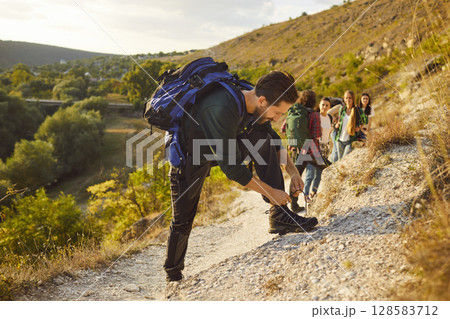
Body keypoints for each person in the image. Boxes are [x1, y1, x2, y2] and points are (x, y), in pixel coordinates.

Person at [163, 71, 318, 282]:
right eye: (277, 112)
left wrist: (293, 171)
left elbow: (272, 138)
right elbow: (233, 169)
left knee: (263, 139)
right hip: (191, 154)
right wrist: (271, 192)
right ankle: (173, 273)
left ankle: (280, 216)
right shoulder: (222, 107)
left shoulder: (256, 105)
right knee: (183, 218)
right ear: (262, 100)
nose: (278, 118)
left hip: (223, 143)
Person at [286, 90, 327, 212]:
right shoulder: (313, 114)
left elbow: (284, 128)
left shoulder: (294, 113)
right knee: (329, 168)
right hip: (311, 149)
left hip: (297, 149)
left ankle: (293, 205)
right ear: (313, 101)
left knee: (295, 176)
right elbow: (317, 134)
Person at [303, 97, 332, 202]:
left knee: (320, 173)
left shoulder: (329, 117)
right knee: (310, 173)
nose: (324, 107)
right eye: (323, 104)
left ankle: (313, 194)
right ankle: (305, 196)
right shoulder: (315, 116)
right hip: (315, 147)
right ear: (319, 105)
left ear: (329, 107)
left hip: (325, 148)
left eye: (327, 105)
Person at [334, 90, 362, 160]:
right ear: (344, 98)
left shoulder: (357, 110)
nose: (348, 100)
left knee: (344, 159)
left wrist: (359, 127)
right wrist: (337, 124)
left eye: (350, 98)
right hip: (339, 139)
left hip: (350, 140)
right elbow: (339, 122)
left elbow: (363, 121)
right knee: (340, 160)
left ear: (353, 99)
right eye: (346, 98)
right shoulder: (342, 109)